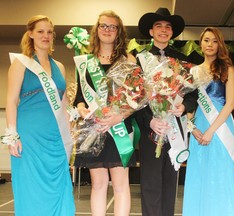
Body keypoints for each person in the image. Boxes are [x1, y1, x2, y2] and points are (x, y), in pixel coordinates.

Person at [4, 15, 75, 215]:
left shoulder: (59, 66)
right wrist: (12, 135)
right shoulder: (20, 63)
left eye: (49, 32)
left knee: (59, 186)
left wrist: (74, 123)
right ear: (30, 34)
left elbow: (63, 103)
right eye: (40, 31)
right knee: (31, 188)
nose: (46, 36)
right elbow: (11, 101)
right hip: (31, 137)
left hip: (56, 137)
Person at [73, 10, 137, 216]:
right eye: (103, 26)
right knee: (98, 184)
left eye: (112, 26)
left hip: (119, 127)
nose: (107, 30)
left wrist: (120, 116)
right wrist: (82, 109)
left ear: (119, 32)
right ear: (96, 29)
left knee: (120, 184)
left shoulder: (129, 60)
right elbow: (79, 97)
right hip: (94, 127)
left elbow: (136, 97)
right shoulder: (84, 62)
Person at [136, 8, 198, 216]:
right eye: (159, 26)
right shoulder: (139, 60)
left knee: (171, 184)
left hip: (175, 130)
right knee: (150, 184)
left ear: (172, 32)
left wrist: (184, 107)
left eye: (168, 27)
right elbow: (133, 99)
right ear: (151, 32)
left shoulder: (183, 61)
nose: (164, 30)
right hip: (150, 131)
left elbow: (192, 95)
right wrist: (150, 121)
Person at [182, 27, 234, 215]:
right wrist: (193, 129)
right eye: (207, 40)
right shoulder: (193, 71)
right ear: (200, 43)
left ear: (220, 44)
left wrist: (210, 131)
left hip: (221, 125)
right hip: (200, 124)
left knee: (221, 173)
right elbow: (188, 103)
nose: (210, 44)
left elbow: (231, 103)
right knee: (200, 173)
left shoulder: (227, 68)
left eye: (215, 41)